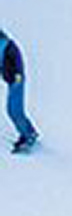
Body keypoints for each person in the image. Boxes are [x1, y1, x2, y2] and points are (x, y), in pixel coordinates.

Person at [2, 26, 31, 155]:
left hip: (17, 81)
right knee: (13, 110)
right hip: (11, 81)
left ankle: (27, 136)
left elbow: (17, 59)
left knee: (14, 110)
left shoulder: (8, 45)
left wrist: (18, 74)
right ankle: (30, 132)